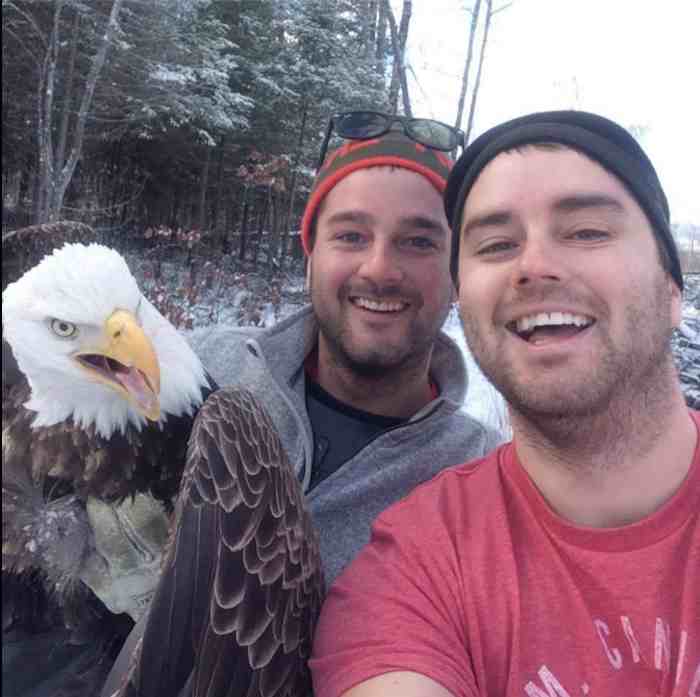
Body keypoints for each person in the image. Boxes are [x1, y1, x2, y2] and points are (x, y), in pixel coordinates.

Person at [98, 113, 504, 695]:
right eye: (350, 235)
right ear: (309, 250)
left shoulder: (481, 487)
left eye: (419, 241)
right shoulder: (193, 367)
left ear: (458, 268)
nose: (380, 268)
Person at [310, 110, 699, 697]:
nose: (533, 266)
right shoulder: (417, 564)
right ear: (465, 302)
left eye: (587, 231)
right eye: (496, 244)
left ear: (673, 289)